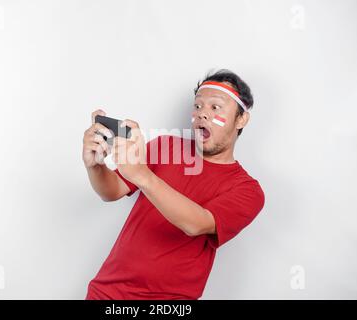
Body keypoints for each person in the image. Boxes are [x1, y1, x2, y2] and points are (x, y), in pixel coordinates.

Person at [83, 69, 265, 300]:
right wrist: (95, 165)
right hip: (106, 293)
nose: (202, 114)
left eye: (215, 107)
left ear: (241, 119)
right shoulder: (165, 146)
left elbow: (196, 224)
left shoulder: (247, 190)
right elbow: (112, 191)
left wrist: (143, 176)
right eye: (198, 106)